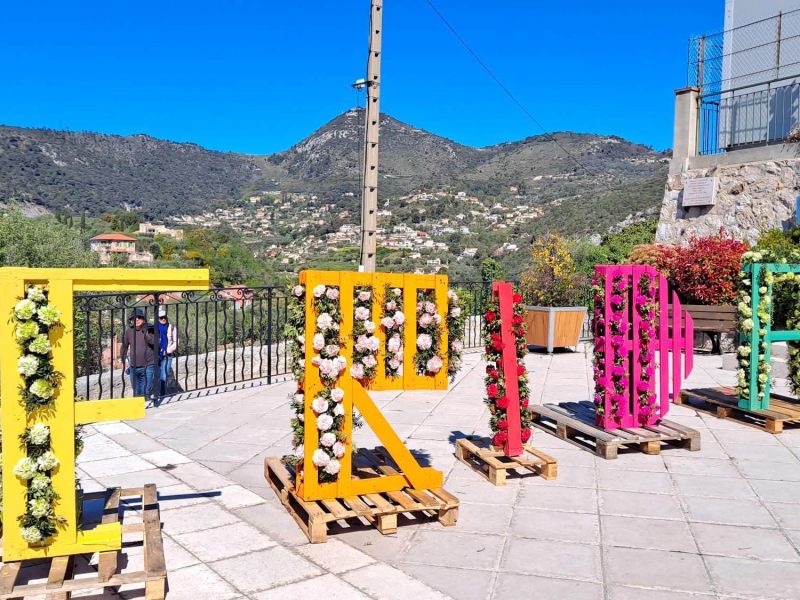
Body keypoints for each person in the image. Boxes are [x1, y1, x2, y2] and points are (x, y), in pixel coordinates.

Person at [120, 308, 156, 398]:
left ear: (143, 319)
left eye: (139, 317)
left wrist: (146, 334)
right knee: (136, 391)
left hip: (148, 365)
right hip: (134, 366)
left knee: (145, 391)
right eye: (134, 318)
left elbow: (155, 343)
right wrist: (122, 360)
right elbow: (124, 346)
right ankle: (140, 407)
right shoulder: (129, 331)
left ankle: (146, 407)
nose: (136, 319)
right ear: (132, 320)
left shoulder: (150, 329)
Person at [157, 306, 178, 398]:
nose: (163, 319)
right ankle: (157, 393)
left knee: (163, 376)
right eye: (161, 318)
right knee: (156, 375)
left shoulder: (172, 327)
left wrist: (168, 350)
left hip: (167, 355)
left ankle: (162, 395)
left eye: (164, 317)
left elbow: (176, 342)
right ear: (158, 319)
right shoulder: (155, 328)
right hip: (156, 355)